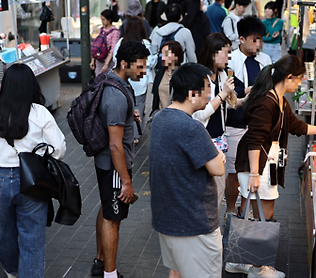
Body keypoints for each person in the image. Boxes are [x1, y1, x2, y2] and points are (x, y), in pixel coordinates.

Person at [226, 55, 316, 278]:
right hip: (258, 163)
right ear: (288, 78)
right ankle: (258, 268)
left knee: (252, 211)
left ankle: (239, 261)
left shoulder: (278, 100)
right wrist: (255, 174)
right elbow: (255, 139)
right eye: (298, 80)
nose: (299, 85)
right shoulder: (269, 102)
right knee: (263, 214)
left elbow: (296, 126)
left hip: (261, 161)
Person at [0, 64, 67, 278]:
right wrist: (40, 157)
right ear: (31, 86)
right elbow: (59, 149)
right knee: (32, 238)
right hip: (31, 180)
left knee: (6, 232)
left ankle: (12, 272)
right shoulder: (40, 112)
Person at [149, 63, 226, 278]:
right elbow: (218, 169)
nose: (209, 97)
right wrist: (218, 155)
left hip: (167, 219)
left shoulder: (160, 118)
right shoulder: (192, 127)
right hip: (194, 223)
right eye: (207, 92)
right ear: (192, 94)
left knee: (176, 273)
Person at [91, 41, 149, 278]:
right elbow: (115, 144)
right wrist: (126, 181)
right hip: (115, 164)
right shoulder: (116, 95)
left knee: (107, 209)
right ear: (124, 64)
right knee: (113, 218)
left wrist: (129, 114)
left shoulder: (116, 83)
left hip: (109, 163)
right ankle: (109, 274)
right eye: (140, 66)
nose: (143, 71)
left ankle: (100, 261)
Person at [225, 17, 272, 217]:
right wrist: (246, 90)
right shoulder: (231, 59)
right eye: (255, 40)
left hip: (258, 124)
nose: (259, 44)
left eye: (261, 39)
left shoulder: (266, 61)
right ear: (242, 39)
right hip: (235, 123)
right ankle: (229, 208)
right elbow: (227, 90)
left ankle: (246, 212)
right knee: (235, 172)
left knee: (253, 171)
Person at [193, 33, 236, 209]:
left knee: (218, 188)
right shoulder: (199, 77)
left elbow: (232, 104)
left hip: (219, 140)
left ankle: (211, 227)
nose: (228, 57)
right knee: (206, 188)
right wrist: (223, 93)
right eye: (225, 53)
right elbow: (200, 114)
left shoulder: (222, 74)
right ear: (213, 54)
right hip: (203, 139)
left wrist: (249, 94)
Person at [112, 17, 158, 143]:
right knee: (139, 106)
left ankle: (128, 133)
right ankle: (135, 135)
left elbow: (115, 59)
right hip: (140, 84)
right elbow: (152, 62)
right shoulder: (145, 43)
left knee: (129, 107)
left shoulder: (121, 42)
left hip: (127, 83)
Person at [151, 40, 184, 113]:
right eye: (161, 54)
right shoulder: (160, 72)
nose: (162, 58)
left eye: (166, 54)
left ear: (176, 56)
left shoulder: (182, 75)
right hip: (160, 115)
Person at [91, 9, 121, 77]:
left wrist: (106, 64)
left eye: (103, 19)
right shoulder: (101, 29)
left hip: (108, 61)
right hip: (99, 59)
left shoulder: (115, 32)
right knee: (98, 80)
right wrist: (93, 60)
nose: (102, 21)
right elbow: (97, 46)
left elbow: (113, 49)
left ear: (109, 20)